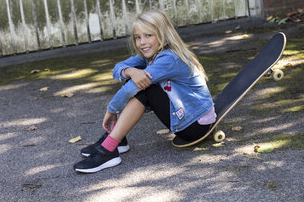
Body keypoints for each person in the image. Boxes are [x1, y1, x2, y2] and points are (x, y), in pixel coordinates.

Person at [73, 9, 216, 173]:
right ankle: (117, 141)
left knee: (144, 88)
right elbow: (118, 68)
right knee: (135, 78)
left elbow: (131, 89)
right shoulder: (149, 55)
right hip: (189, 118)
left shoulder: (169, 58)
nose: (142, 42)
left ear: (163, 34)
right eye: (138, 37)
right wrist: (131, 71)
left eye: (148, 35)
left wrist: (112, 110)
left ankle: (109, 149)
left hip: (195, 126)